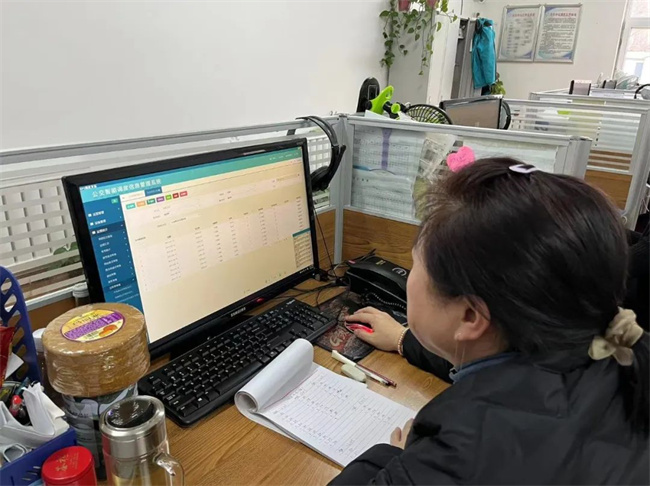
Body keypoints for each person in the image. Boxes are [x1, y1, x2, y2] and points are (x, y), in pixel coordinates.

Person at [329, 158, 649, 485]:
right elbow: (509, 376)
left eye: (415, 266)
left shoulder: (457, 457)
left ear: (470, 316)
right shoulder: (606, 352)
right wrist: (403, 339)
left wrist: (394, 459)